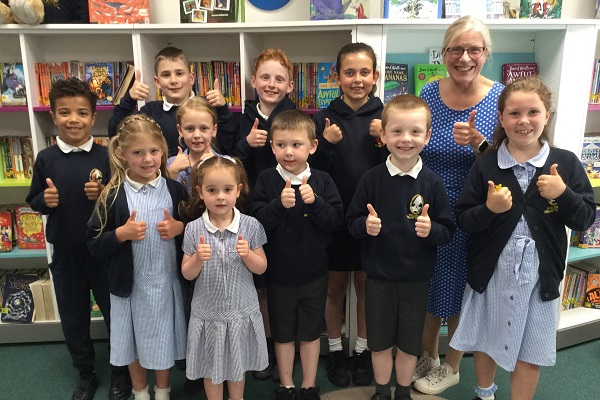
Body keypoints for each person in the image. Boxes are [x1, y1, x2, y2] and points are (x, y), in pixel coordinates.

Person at [451, 77, 596, 400]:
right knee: (486, 336)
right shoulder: (487, 163)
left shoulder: (566, 162)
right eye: (514, 113)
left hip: (540, 274)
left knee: (531, 347)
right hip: (491, 270)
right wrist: (489, 209)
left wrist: (564, 194)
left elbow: (585, 218)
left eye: (533, 111)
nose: (524, 121)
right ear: (502, 119)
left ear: (547, 115)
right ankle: (484, 393)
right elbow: (464, 219)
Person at [413, 16, 505, 395]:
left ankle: (452, 365)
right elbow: (410, 137)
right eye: (456, 49)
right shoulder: (428, 94)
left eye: (474, 49)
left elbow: (512, 162)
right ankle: (429, 355)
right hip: (429, 209)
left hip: (473, 213)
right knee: (429, 282)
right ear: (444, 52)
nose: (464, 57)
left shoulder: (501, 98)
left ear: (486, 54)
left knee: (460, 288)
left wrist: (480, 145)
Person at [25, 77, 131, 400]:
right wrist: (46, 201)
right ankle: (86, 373)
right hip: (66, 255)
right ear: (54, 116)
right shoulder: (46, 158)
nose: (74, 119)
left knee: (115, 315)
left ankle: (120, 372)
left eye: (82, 113)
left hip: (103, 254)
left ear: (93, 117)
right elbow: (34, 199)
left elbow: (122, 201)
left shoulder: (105, 156)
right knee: (74, 317)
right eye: (65, 112)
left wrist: (103, 193)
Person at [346, 94, 455, 400]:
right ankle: (382, 392)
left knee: (409, 344)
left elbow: (447, 230)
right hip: (378, 278)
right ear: (383, 134)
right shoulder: (371, 179)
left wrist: (431, 229)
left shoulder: (432, 183)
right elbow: (351, 224)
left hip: (415, 280)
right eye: (397, 131)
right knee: (379, 343)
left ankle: (403, 393)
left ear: (427, 135)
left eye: (415, 132)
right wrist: (365, 228)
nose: (405, 139)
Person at [87, 115, 189, 400]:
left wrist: (180, 228)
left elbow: (195, 232)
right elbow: (93, 243)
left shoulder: (175, 190)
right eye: (137, 152)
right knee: (133, 341)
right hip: (129, 288)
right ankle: (140, 391)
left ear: (163, 151)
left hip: (166, 282)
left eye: (154, 151)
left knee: (164, 338)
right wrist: (120, 234)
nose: (147, 159)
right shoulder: (112, 196)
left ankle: (163, 390)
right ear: (121, 153)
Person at [250, 110, 344, 400]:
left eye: (296, 145)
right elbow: (255, 223)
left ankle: (308, 385)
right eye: (281, 145)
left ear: (313, 147)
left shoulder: (323, 180)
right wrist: (278, 206)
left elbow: (335, 221)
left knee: (310, 334)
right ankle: (287, 383)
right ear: (272, 146)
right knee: (283, 333)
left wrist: (315, 203)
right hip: (278, 275)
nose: (288, 152)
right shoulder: (267, 180)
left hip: (315, 272)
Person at [311, 42, 386, 388]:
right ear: (336, 76)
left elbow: (400, 165)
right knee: (335, 287)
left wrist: (383, 143)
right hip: (334, 216)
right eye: (350, 73)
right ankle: (337, 350)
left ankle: (363, 351)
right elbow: (311, 171)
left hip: (373, 217)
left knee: (367, 287)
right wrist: (325, 143)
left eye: (364, 73)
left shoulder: (386, 118)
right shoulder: (323, 118)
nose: (357, 80)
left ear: (376, 76)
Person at [179, 156, 268, 400]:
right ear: (199, 192)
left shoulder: (250, 226)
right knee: (211, 366)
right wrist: (197, 258)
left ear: (238, 190)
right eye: (212, 190)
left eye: (227, 190)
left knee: (237, 367)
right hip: (209, 314)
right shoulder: (193, 229)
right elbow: (187, 273)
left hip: (240, 311)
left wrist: (248, 255)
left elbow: (261, 268)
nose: (220, 197)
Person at [232, 47, 296, 380]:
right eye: (265, 77)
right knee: (255, 285)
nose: (271, 84)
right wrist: (245, 145)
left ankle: (283, 347)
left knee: (281, 284)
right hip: (247, 213)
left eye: (279, 79)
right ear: (253, 80)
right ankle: (261, 346)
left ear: (289, 85)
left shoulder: (296, 119)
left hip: (288, 212)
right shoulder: (239, 119)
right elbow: (224, 165)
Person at [108, 46, 235, 158]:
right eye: (166, 75)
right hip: (165, 179)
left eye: (179, 73)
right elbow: (116, 133)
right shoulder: (150, 111)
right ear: (157, 82)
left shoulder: (208, 106)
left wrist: (223, 108)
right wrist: (129, 99)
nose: (173, 80)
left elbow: (228, 146)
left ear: (191, 78)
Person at [167, 96, 220, 195]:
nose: (196, 135)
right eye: (190, 128)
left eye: (203, 128)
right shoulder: (170, 164)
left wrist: (215, 167)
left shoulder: (227, 163)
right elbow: (160, 199)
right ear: (180, 130)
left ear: (214, 130)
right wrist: (172, 173)